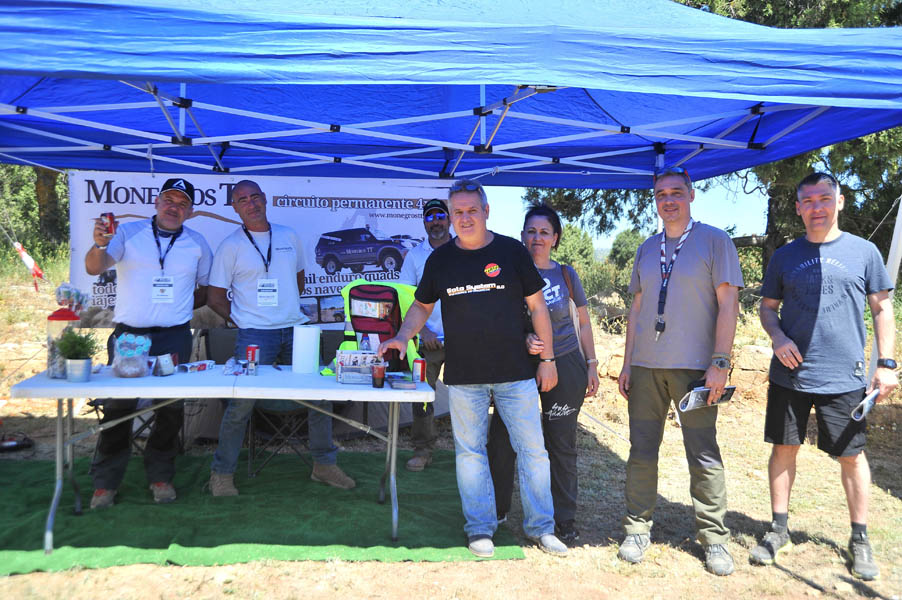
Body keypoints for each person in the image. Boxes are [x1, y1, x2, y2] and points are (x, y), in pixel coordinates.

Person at [378, 179, 568, 558]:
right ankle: (480, 528)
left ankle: (541, 528)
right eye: (458, 212)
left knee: (533, 451)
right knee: (470, 454)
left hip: (516, 373)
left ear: (486, 211)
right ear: (451, 216)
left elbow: (537, 307)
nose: (464, 218)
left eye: (471, 210)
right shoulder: (440, 260)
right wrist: (401, 336)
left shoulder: (512, 252)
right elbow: (421, 306)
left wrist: (547, 359)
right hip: (465, 376)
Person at [750, 172, 897, 581]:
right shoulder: (784, 256)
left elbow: (883, 308)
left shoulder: (864, 252)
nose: (817, 207)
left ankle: (860, 538)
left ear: (840, 201)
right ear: (798, 208)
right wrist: (778, 337)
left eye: (825, 198)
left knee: (851, 456)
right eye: (809, 201)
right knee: (783, 448)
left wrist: (886, 365)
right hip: (790, 375)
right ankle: (778, 529)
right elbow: (767, 308)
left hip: (845, 376)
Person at [616, 167, 743, 576]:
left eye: (675, 192)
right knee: (641, 451)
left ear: (691, 194)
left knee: (702, 453)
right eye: (660, 194)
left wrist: (720, 362)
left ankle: (715, 539)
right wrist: (627, 363)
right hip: (646, 369)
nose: (668, 200)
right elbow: (637, 309)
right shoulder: (647, 248)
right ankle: (637, 529)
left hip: (696, 371)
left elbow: (729, 304)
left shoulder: (715, 241)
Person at [206, 180, 355, 494]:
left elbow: (299, 281)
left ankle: (324, 466)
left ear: (265, 199)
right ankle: (222, 473)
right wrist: (243, 319)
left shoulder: (288, 236)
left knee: (319, 397)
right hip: (254, 335)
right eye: (243, 200)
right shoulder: (230, 246)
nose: (251, 204)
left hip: (297, 330)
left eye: (255, 197)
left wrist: (283, 309)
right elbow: (215, 297)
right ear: (235, 207)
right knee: (240, 404)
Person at [84, 177, 212, 507]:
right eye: (169, 200)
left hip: (174, 337)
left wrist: (178, 307)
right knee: (118, 408)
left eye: (182, 204)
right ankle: (105, 483)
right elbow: (94, 267)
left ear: (190, 212)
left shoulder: (197, 243)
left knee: (170, 409)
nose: (174, 208)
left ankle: (160, 477)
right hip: (130, 336)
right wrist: (99, 244)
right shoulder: (128, 233)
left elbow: (205, 288)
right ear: (156, 202)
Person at [487, 204, 600, 544]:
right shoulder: (509, 273)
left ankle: (563, 518)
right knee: (502, 439)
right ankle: (497, 510)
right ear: (522, 235)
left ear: (555, 238)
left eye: (544, 232)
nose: (537, 238)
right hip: (517, 365)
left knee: (561, 442)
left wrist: (592, 363)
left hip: (565, 362)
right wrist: (523, 337)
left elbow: (583, 322)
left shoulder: (566, 274)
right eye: (531, 231)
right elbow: (499, 320)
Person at [397, 198, 451, 471]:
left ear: (449, 219)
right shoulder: (415, 256)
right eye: (430, 217)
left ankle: (472, 450)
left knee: (470, 395)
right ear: (424, 223)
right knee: (422, 396)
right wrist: (424, 329)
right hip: (427, 341)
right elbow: (405, 298)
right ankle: (422, 449)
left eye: (440, 216)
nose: (436, 222)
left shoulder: (463, 250)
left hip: (463, 339)